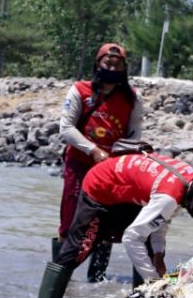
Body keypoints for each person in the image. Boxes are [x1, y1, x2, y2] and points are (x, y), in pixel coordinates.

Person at [34, 152, 193, 298]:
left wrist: (159, 254)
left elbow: (163, 219)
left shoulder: (191, 184)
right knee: (78, 250)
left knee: (150, 250)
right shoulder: (171, 195)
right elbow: (131, 238)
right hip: (100, 186)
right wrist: (154, 280)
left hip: (127, 191)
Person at [58, 42, 145, 282]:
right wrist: (93, 150)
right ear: (98, 64)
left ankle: (95, 282)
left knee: (106, 227)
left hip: (112, 171)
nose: (112, 67)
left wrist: (123, 158)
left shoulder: (133, 98)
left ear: (124, 68)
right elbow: (65, 129)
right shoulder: (80, 91)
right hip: (80, 165)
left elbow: (134, 136)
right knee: (69, 224)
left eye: (117, 64)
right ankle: (61, 279)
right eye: (108, 63)